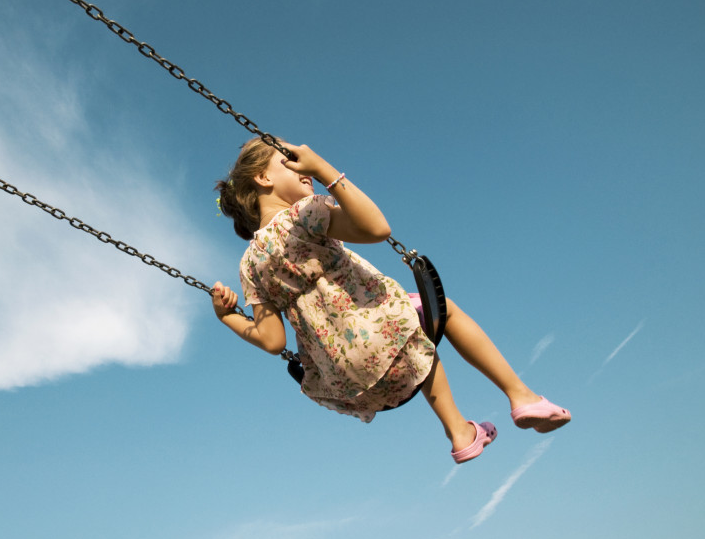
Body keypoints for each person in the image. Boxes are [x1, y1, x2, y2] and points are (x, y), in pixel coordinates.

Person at [212, 138, 570, 463]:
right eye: (288, 158)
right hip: (379, 330)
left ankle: (460, 432)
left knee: (413, 339)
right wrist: (323, 169)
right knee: (439, 313)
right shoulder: (304, 214)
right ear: (263, 178)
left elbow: (273, 341)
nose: (301, 165)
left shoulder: (248, 265)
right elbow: (377, 229)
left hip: (343, 378)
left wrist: (228, 317)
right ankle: (520, 395)